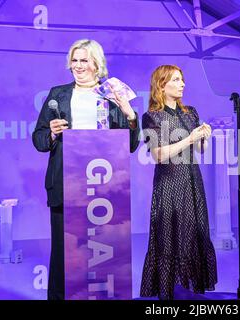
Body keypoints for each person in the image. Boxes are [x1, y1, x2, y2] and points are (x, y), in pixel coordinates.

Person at [32, 39, 140, 300]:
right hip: (66, 184)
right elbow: (38, 139)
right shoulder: (57, 94)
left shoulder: (111, 96)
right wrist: (54, 134)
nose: (78, 65)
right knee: (64, 252)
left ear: (97, 64)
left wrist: (130, 115)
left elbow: (130, 145)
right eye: (75, 60)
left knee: (104, 252)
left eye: (84, 60)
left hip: (103, 187)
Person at [140, 65, 217, 300]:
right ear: (162, 85)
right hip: (169, 183)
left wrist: (204, 137)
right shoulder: (151, 116)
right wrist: (190, 138)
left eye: (182, 79)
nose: (182, 84)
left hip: (192, 181)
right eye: (176, 80)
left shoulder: (190, 112)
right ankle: (168, 293)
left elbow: (201, 150)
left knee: (194, 234)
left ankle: (190, 292)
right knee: (169, 236)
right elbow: (159, 155)